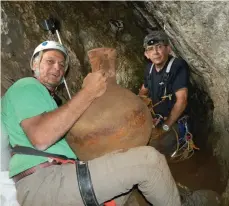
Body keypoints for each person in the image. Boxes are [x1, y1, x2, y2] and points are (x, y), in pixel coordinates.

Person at [1, 40, 219, 206]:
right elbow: (40, 138)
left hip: (64, 175)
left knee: (130, 181)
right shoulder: (26, 86)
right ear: (34, 64)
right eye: (50, 61)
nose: (57, 67)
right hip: (46, 182)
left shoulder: (51, 102)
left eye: (61, 64)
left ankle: (175, 194)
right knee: (149, 162)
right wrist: (88, 93)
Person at [139, 30, 196, 160]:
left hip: (174, 122)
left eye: (159, 47)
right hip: (157, 118)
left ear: (168, 49)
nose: (156, 52)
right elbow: (143, 92)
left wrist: (166, 126)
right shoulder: (149, 68)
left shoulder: (177, 67)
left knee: (149, 151)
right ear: (146, 54)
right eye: (151, 49)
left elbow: (182, 101)